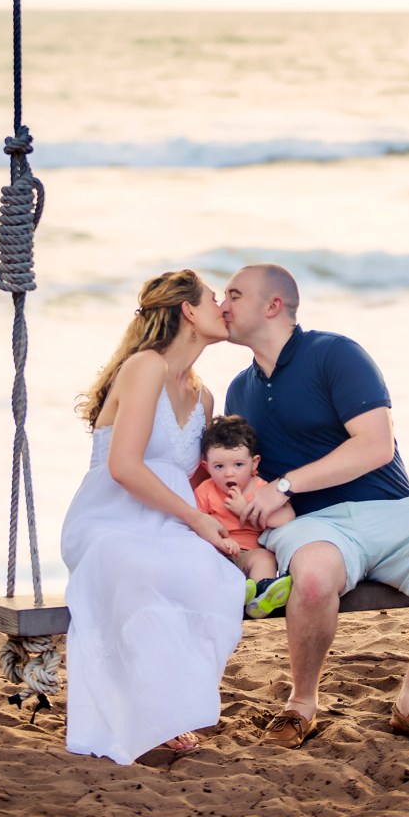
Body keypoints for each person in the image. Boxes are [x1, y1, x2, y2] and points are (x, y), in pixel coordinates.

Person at [222, 263, 409, 749]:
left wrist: (282, 485)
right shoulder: (239, 389)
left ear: (273, 305)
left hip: (391, 509)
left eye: (234, 295)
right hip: (314, 526)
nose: (223, 305)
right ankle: (302, 705)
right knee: (314, 576)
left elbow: (375, 445)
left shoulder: (334, 353)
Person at [60, 269, 246, 765]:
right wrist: (196, 519)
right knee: (139, 568)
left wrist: (234, 514)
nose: (222, 306)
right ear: (188, 311)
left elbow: (198, 479)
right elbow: (123, 467)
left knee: (210, 577)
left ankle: (165, 708)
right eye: (213, 298)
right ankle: (144, 716)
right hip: (109, 519)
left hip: (168, 520)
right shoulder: (144, 367)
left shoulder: (204, 396)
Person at [195, 414, 294, 619]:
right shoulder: (205, 491)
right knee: (202, 562)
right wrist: (220, 541)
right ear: (207, 467)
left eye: (238, 465)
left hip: (250, 553)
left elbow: (287, 517)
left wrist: (246, 510)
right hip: (218, 554)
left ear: (254, 463)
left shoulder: (262, 490)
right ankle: (235, 594)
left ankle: (259, 596)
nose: (229, 473)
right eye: (219, 466)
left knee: (264, 558)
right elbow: (198, 525)